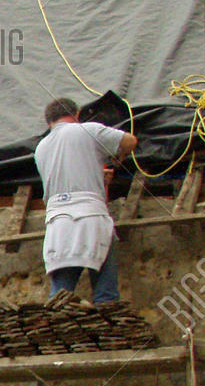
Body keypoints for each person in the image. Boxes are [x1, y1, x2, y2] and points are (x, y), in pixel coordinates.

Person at [35, 97, 138, 304]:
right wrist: (120, 155)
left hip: (58, 225)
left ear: (49, 122)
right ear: (77, 114)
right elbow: (130, 141)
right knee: (105, 296)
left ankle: (57, 333)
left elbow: (66, 176)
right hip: (91, 217)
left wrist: (96, 173)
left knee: (59, 297)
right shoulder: (88, 130)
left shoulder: (41, 148)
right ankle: (108, 334)